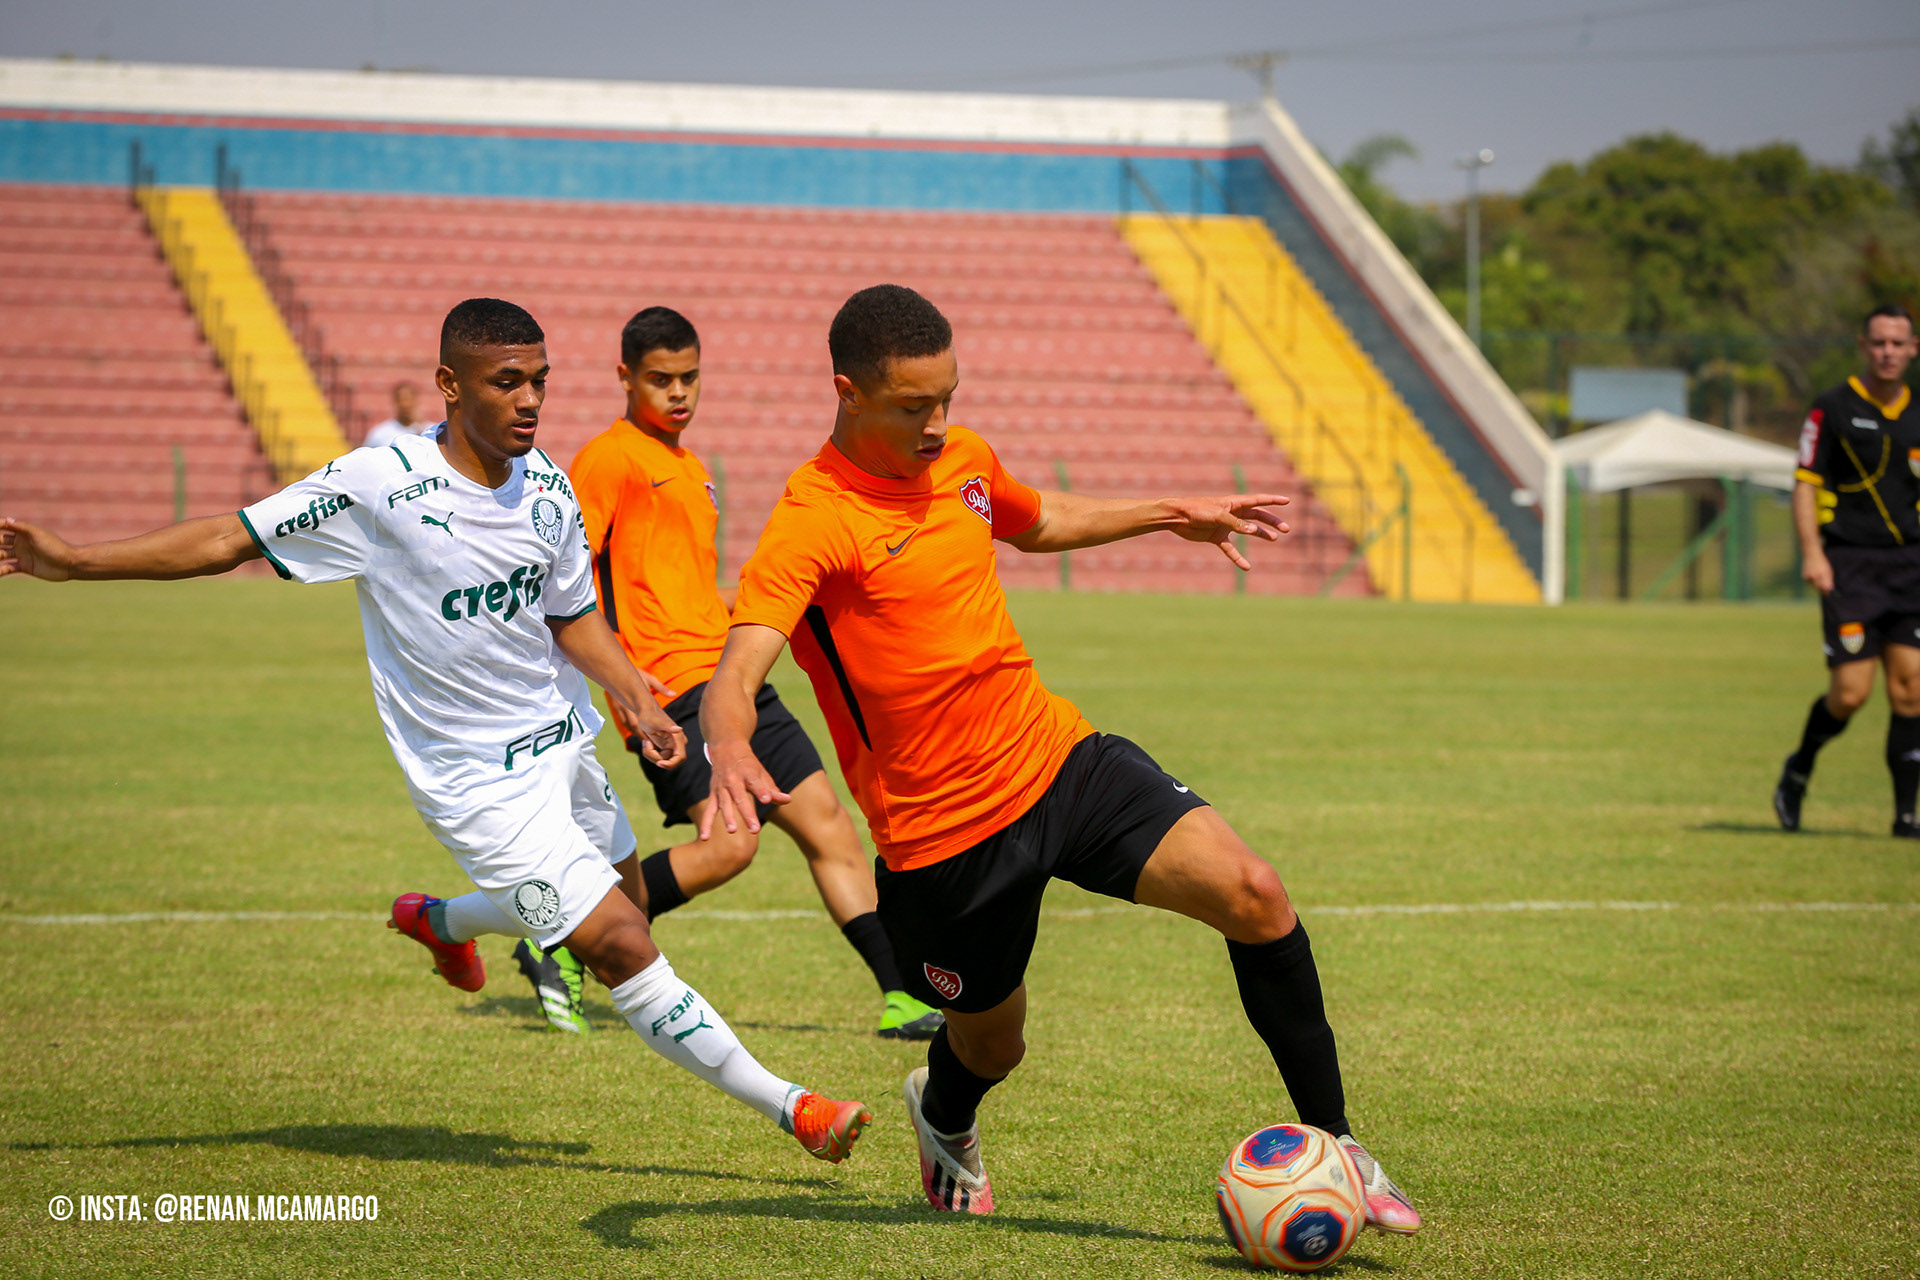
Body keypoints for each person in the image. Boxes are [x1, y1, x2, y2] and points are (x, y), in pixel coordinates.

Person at [0, 297, 871, 1165]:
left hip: (561, 746)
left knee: (625, 902)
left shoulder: (549, 489)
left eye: (539, 381)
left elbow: (573, 617)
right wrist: (74, 562)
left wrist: (636, 699)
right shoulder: (380, 486)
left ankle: (444, 923)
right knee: (618, 942)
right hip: (474, 784)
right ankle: (793, 1108)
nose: (529, 400)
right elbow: (231, 539)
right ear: (451, 386)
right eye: (506, 382)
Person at [695, 283, 1421, 1226]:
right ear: (848, 392)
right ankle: (944, 1112)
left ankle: (1342, 1146)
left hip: (1057, 758)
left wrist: (1169, 512)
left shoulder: (960, 458)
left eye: (948, 397)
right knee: (994, 1047)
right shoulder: (813, 518)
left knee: (1256, 894)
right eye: (914, 406)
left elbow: (1034, 519)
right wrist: (726, 744)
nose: (937, 423)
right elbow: (741, 658)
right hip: (943, 838)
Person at [543, 306, 946, 1042]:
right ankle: (569, 931)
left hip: (731, 676)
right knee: (732, 845)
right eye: (660, 379)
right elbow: (568, 581)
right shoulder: (607, 460)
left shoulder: (691, 468)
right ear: (625, 376)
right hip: (667, 688)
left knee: (827, 823)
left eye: (689, 377)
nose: (678, 393)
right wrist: (628, 691)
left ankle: (902, 998)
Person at [1776, 304, 1920, 835]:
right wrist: (1813, 552)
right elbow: (1805, 483)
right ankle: (1799, 769)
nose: (1888, 352)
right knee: (1852, 693)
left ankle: (1906, 816)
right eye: (1879, 343)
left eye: (1897, 344)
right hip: (1850, 566)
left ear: (1913, 349)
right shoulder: (1831, 408)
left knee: (1911, 689)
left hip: (1910, 567)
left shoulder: (1917, 413)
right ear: (1864, 345)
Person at [363, 380, 426, 448]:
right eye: (401, 400)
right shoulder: (379, 433)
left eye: (408, 399)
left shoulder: (429, 430)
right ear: (394, 402)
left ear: (416, 401)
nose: (405, 404)